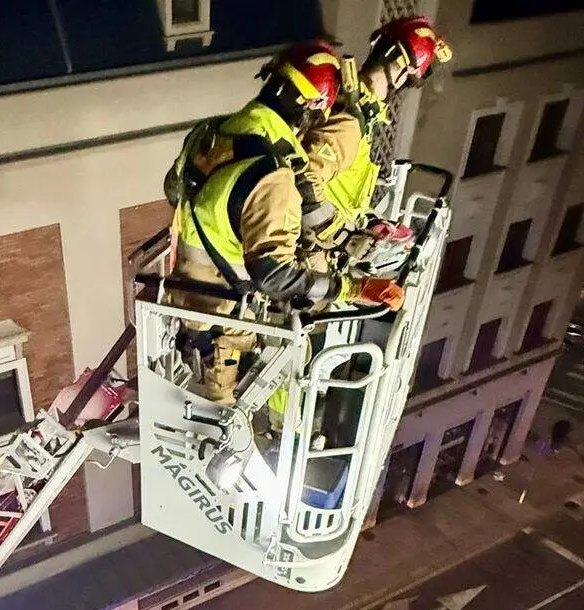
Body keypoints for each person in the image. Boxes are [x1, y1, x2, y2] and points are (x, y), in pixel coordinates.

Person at [163, 39, 405, 403]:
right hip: (222, 320)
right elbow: (275, 277)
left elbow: (172, 188)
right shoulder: (273, 176)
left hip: (183, 294)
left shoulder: (211, 132)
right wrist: (353, 289)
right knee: (217, 417)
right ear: (309, 109)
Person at [298, 17, 454, 269]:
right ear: (405, 72)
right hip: (312, 249)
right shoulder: (353, 118)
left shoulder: (353, 102)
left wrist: (369, 222)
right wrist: (344, 237)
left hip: (321, 239)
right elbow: (304, 181)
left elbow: (340, 187)